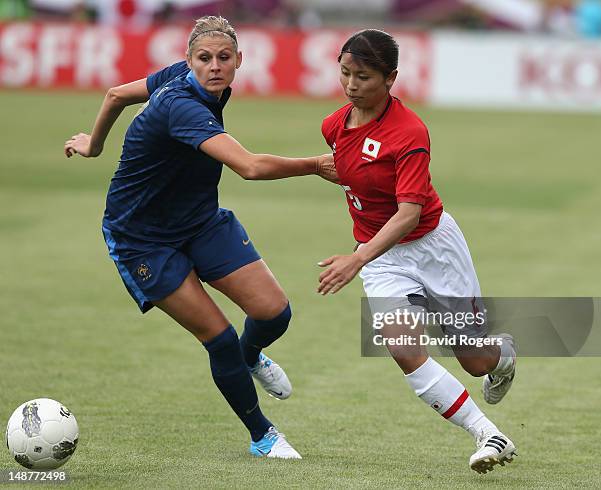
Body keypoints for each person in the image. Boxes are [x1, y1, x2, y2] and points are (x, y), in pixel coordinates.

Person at [64, 15, 336, 459]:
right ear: (189, 61)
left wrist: (94, 144)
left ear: (238, 61)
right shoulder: (183, 105)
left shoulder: (182, 78)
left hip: (199, 219)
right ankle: (262, 436)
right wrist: (316, 164)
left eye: (223, 58)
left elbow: (116, 94)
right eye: (204, 59)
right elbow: (248, 167)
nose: (214, 66)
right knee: (219, 338)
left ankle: (251, 358)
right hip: (142, 238)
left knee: (274, 314)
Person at [318, 29, 517, 474]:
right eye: (345, 73)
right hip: (384, 259)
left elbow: (409, 213)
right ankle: (488, 434)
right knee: (403, 348)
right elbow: (349, 172)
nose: (351, 85)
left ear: (390, 78)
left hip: (433, 249)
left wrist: (357, 257)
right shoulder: (334, 125)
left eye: (364, 76)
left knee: (473, 359)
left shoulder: (410, 132)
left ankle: (502, 357)